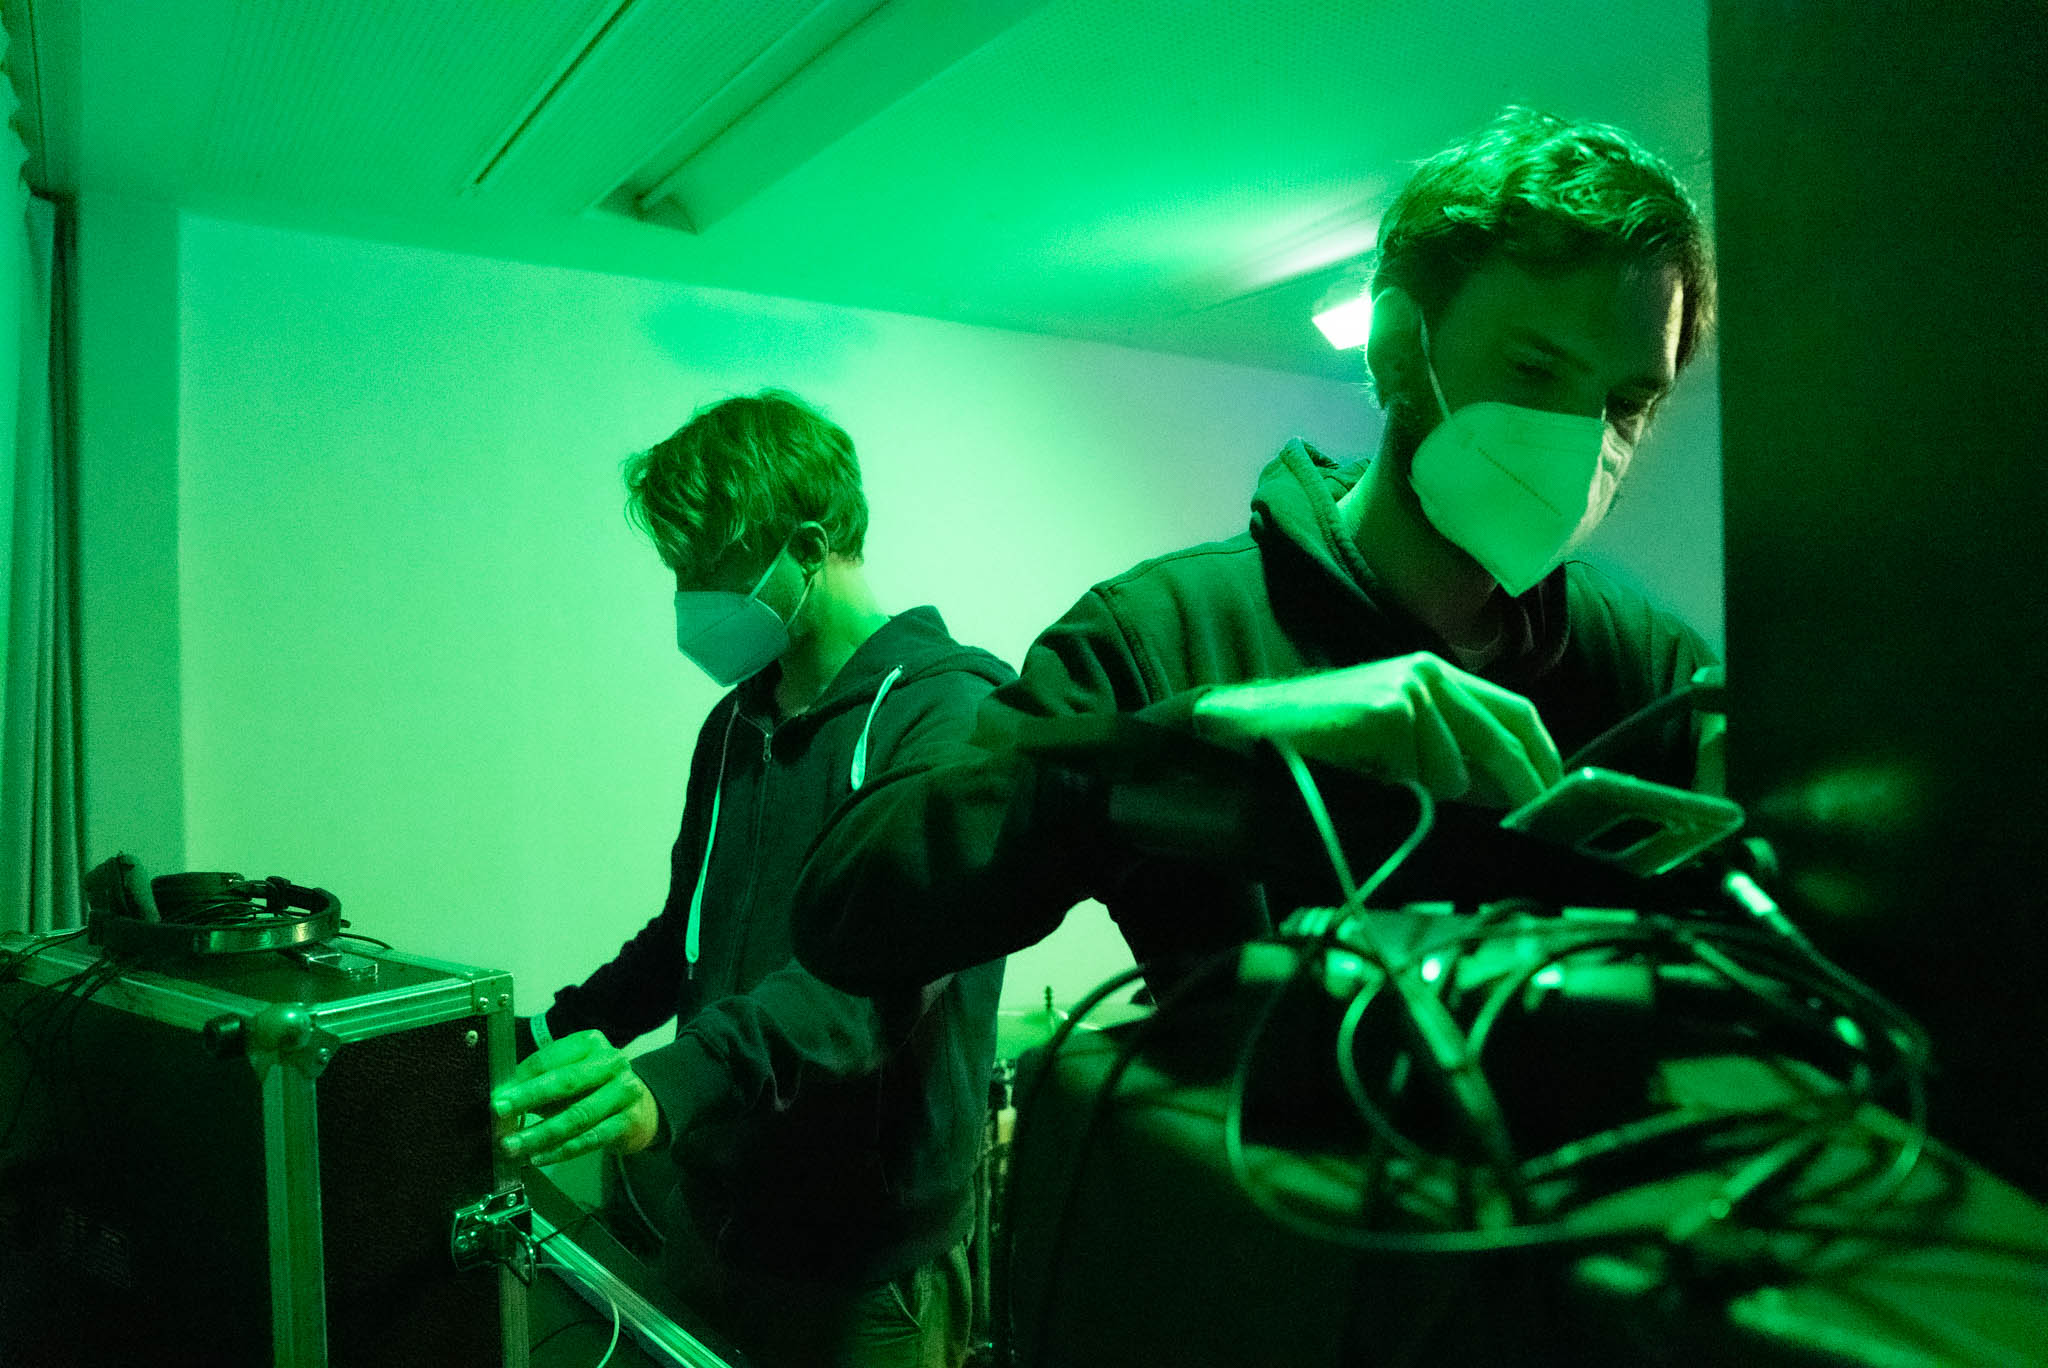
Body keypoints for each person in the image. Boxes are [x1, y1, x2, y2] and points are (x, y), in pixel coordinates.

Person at [791, 108, 1719, 998]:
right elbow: (848, 914)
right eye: (1533, 369)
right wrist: (1213, 736)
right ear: (1400, 347)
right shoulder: (1160, 636)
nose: (1581, 441)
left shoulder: (1647, 665)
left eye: (1627, 404)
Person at [488, 390, 1015, 1368]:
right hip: (715, 1223)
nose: (686, 598)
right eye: (676, 570)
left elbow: (874, 980)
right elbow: (682, 938)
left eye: (704, 569)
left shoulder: (952, 717)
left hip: (865, 1273)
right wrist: (536, 1041)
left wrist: (671, 1085)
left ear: (808, 548)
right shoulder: (733, 726)